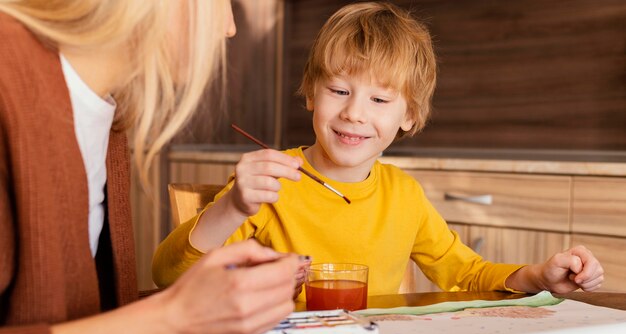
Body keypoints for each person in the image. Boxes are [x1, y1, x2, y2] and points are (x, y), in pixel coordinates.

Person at [152, 1, 604, 298]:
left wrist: (538, 276)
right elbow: (168, 277)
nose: (354, 114)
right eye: (338, 90)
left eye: (380, 100)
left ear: (409, 116)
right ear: (310, 93)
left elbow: (465, 273)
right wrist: (231, 206)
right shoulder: (268, 185)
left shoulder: (404, 195)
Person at [0, 1, 305, 334]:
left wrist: (210, 306)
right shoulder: (9, 77)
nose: (230, 28)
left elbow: (77, 319)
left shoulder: (108, 119)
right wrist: (172, 319)